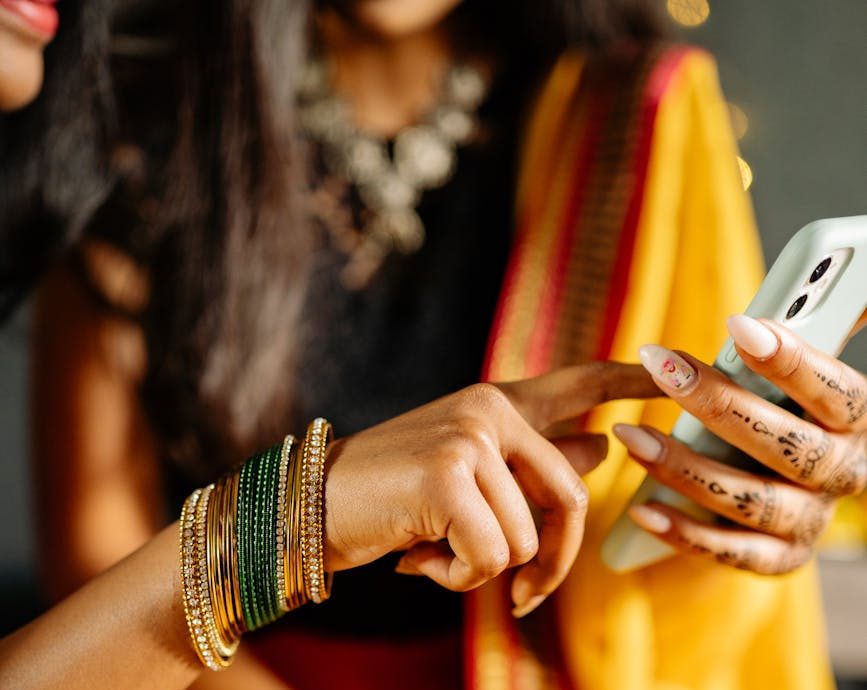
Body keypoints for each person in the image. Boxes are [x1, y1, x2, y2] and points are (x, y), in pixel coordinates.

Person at [18, 1, 867, 690]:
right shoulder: (139, 125)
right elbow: (96, 556)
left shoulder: (639, 119)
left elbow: (659, 521)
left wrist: (763, 502)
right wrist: (306, 511)